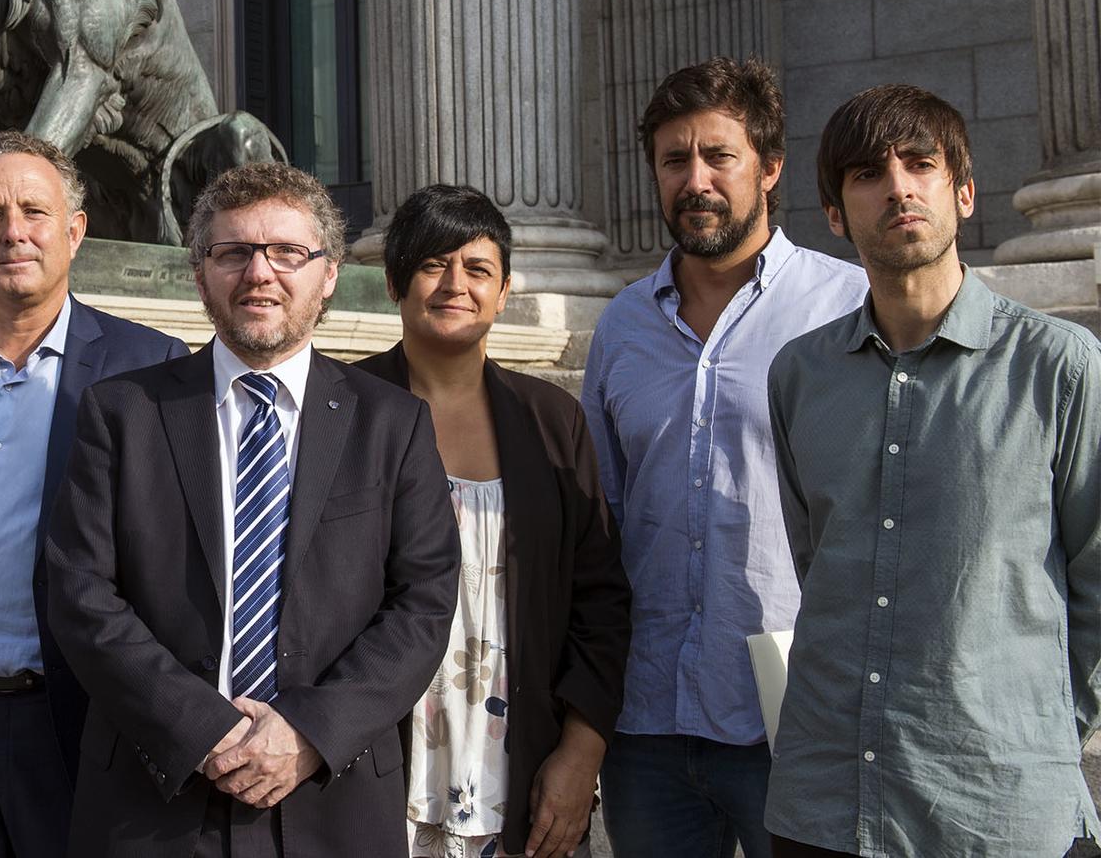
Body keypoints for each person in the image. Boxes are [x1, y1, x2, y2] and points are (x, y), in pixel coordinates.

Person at [45, 162, 458, 858]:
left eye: (287, 252)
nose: (259, 272)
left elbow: (423, 602)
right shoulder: (123, 412)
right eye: (233, 252)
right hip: (155, 797)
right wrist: (201, 727)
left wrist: (305, 733)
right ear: (199, 272)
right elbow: (81, 592)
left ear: (327, 274)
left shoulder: (393, 423)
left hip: (331, 794)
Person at [765, 86, 1101, 858]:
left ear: (965, 192)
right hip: (825, 807)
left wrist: (1031, 726)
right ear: (837, 213)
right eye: (868, 173)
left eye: (921, 164)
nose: (900, 187)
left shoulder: (1060, 368)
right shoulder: (800, 375)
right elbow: (818, 561)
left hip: (997, 811)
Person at [580, 58, 865, 857]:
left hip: (797, 718)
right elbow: (598, 518)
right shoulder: (622, 326)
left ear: (770, 168)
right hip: (648, 722)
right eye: (675, 160)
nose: (694, 179)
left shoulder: (843, 307)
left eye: (718, 156)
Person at [0, 130, 187, 858]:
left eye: (33, 210)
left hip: (74, 715)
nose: (12, 230)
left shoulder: (147, 365)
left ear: (75, 231)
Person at [357, 185, 631, 858]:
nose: (456, 284)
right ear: (394, 279)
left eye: (477, 269)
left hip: (523, 766)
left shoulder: (551, 420)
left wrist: (582, 753)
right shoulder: (347, 411)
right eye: (432, 264)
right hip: (377, 768)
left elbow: (601, 599)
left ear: (504, 290)